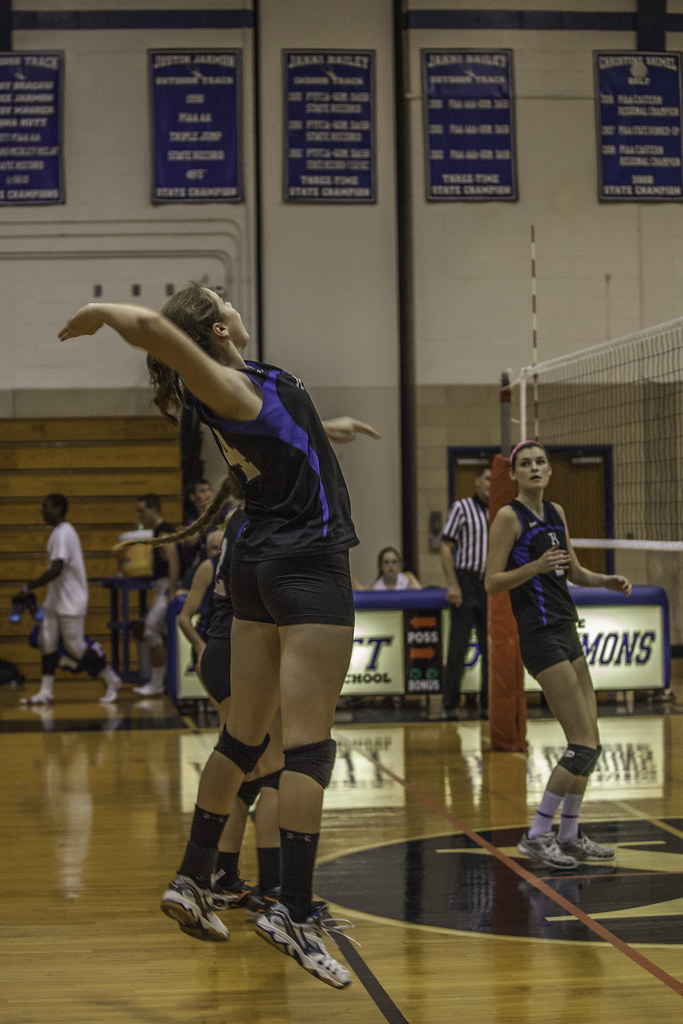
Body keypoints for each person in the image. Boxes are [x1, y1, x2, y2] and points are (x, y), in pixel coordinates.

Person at [58, 285, 380, 989]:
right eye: (220, 298)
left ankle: (192, 879)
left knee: (243, 738)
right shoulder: (224, 381)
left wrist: (329, 428)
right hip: (305, 563)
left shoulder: (240, 385)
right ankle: (292, 911)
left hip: (263, 561)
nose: (232, 300)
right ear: (213, 324)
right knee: (308, 750)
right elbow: (149, 326)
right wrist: (103, 314)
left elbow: (276, 438)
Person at [485, 440, 631, 870]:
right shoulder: (508, 518)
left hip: (568, 629)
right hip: (539, 635)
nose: (534, 468)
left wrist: (604, 580)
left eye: (540, 462)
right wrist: (534, 567)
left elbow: (574, 570)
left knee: (594, 742)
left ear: (549, 470)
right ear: (513, 474)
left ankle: (568, 834)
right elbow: (492, 582)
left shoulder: (557, 513)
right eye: (525, 464)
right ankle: (536, 834)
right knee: (581, 744)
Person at [19, 493, 121, 706]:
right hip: (55, 601)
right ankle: (45, 692)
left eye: (46, 506)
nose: (42, 511)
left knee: (75, 646)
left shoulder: (64, 533)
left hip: (71, 601)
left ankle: (111, 679)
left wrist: (29, 586)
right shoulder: (57, 532)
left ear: (58, 508)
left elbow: (56, 569)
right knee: (47, 643)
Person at [440, 465, 491, 721]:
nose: (491, 484)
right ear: (477, 481)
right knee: (458, 646)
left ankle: (488, 705)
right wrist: (452, 583)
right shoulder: (461, 508)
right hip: (466, 579)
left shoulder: (502, 512)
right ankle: (450, 704)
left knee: (490, 647)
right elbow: (446, 547)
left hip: (490, 584)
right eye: (487, 478)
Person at [132, 494, 180, 698]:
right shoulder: (158, 531)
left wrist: (171, 591)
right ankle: (159, 681)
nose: (139, 514)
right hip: (160, 586)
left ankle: (157, 682)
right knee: (156, 632)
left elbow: (174, 560)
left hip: (166, 587)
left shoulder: (164, 530)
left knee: (151, 630)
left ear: (153, 509)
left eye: (142, 510)